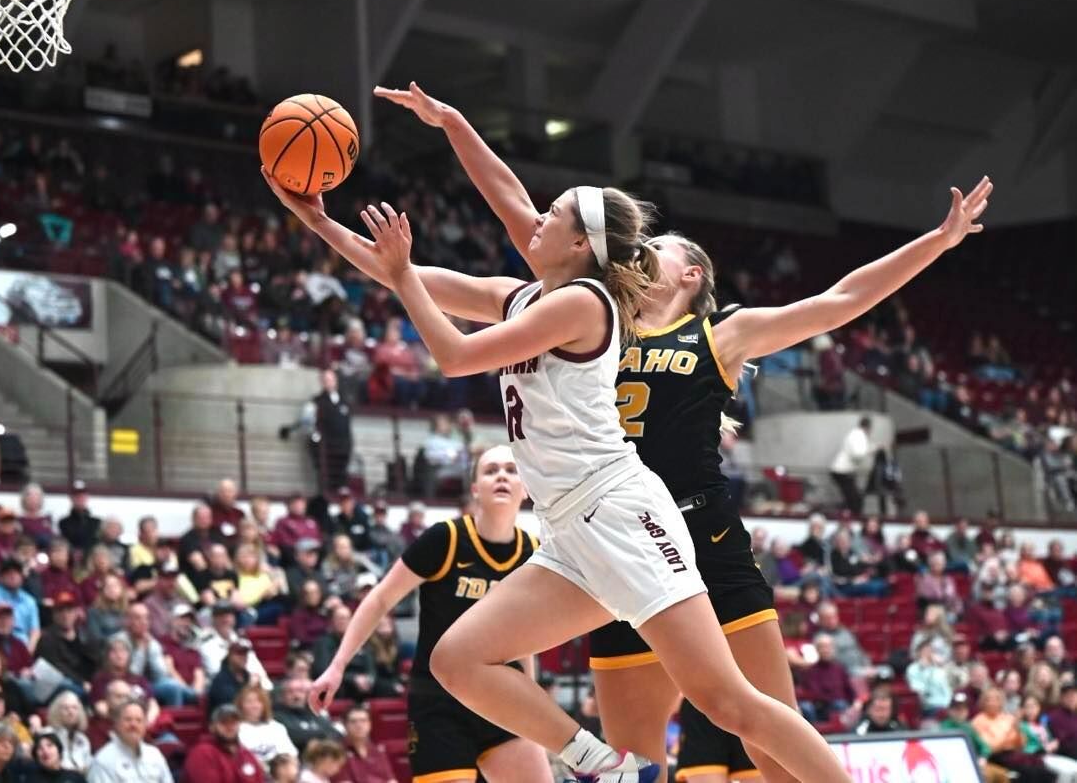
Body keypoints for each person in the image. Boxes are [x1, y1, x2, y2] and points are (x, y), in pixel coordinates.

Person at [357, 82, 993, 782]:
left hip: (699, 536)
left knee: (756, 732)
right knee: (635, 756)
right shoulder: (588, 309)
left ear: (691, 273)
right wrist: (452, 124)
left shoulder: (720, 335)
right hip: (606, 540)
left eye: (657, 248)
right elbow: (520, 211)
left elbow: (840, 300)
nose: (642, 252)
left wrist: (937, 241)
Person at [271, 165, 863, 779]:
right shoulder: (524, 297)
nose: (538, 218)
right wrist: (316, 218)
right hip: (567, 528)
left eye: (553, 214)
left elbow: (455, 356)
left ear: (582, 244)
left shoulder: (584, 303)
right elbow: (407, 278)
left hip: (621, 514)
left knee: (730, 704)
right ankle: (604, 766)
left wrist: (399, 273)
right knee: (458, 660)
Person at [309, 445, 549, 783]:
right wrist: (336, 667)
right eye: (490, 470)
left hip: (502, 698)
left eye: (511, 470)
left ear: (526, 488)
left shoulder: (533, 551)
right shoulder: (445, 539)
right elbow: (380, 599)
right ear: (474, 489)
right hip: (439, 703)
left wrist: (532, 697)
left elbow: (523, 637)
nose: (501, 476)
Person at [86, 700, 172, 783]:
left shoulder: (155, 754)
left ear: (145, 725)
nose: (134, 725)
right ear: (116, 724)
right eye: (128, 719)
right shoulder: (103, 760)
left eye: (139, 720)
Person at [182, 704, 266, 783]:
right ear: (212, 727)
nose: (229, 726)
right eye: (224, 722)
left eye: (233, 722)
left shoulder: (246, 754)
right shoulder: (201, 753)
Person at [235, 686, 296, 766]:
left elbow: (291, 755)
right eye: (249, 702)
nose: (254, 706)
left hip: (279, 772)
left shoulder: (276, 727)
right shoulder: (235, 729)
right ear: (240, 705)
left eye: (258, 701)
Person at [336, 705, 396, 783]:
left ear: (370, 724)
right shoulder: (337, 751)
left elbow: (391, 780)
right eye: (353, 721)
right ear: (344, 725)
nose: (359, 725)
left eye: (363, 721)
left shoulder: (378, 749)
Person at [829, 417, 874, 515]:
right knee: (855, 500)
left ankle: (847, 512)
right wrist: (872, 450)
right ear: (868, 428)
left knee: (851, 497)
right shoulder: (860, 435)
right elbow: (858, 453)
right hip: (842, 471)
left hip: (840, 470)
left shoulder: (854, 434)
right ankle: (854, 517)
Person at [44, 692, 92, 774]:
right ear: (57, 711)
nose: (71, 712)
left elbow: (88, 766)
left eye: (74, 708)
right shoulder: (47, 735)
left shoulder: (83, 739)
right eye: (65, 708)